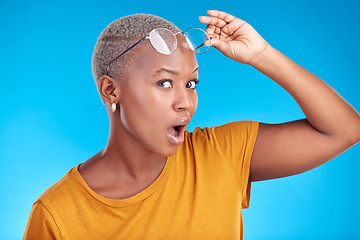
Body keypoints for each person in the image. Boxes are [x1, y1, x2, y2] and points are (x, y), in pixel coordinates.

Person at [23, 10, 360, 239]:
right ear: (111, 90)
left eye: (192, 83)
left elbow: (344, 129)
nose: (186, 101)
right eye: (165, 83)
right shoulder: (58, 214)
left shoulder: (221, 155)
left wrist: (262, 54)